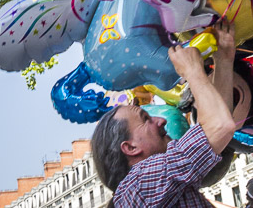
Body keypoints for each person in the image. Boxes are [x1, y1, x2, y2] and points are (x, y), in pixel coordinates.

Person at [91, 21, 237, 207]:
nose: (161, 120)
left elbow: (219, 124)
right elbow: (220, 126)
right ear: (130, 147)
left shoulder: (157, 184)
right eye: (146, 119)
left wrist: (223, 60)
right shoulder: (141, 184)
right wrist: (191, 70)